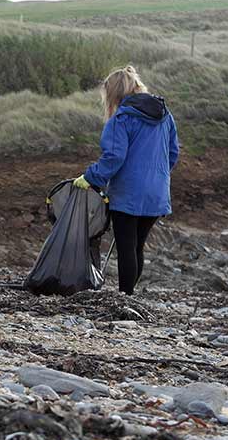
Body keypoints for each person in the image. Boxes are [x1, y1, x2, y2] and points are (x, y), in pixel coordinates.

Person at [72, 65, 179, 295]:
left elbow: (114, 157)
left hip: (129, 193)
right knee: (137, 246)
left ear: (113, 94)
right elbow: (173, 154)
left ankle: (125, 297)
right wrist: (157, 177)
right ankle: (128, 294)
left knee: (126, 247)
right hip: (157, 193)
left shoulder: (121, 118)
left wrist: (90, 177)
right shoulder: (165, 115)